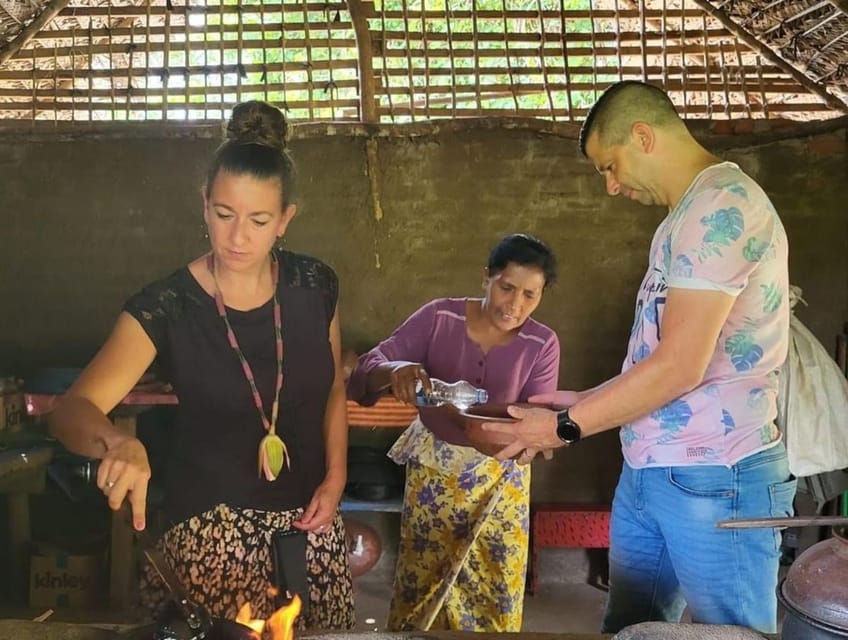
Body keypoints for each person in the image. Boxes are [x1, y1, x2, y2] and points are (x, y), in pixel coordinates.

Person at [486, 81, 796, 634]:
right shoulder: (680, 218)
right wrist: (588, 399)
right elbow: (663, 356)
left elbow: (681, 366)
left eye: (610, 166)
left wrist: (563, 426)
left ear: (644, 137)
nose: (610, 186)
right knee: (633, 627)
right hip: (652, 466)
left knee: (731, 634)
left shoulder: (722, 206)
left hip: (715, 472)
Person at [48, 100, 354, 627]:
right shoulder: (168, 305)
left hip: (311, 535)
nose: (238, 238)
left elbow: (330, 390)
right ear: (203, 204)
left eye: (259, 220)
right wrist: (117, 442)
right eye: (223, 214)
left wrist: (337, 477)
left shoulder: (315, 287)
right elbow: (72, 409)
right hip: (207, 539)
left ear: (285, 220)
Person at [347, 233, 560, 632]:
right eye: (506, 287)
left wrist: (526, 436)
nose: (515, 305)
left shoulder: (542, 343)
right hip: (435, 475)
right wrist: (394, 372)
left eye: (530, 295)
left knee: (494, 587)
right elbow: (367, 368)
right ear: (486, 279)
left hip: (502, 480)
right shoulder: (438, 318)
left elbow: (539, 416)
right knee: (424, 584)